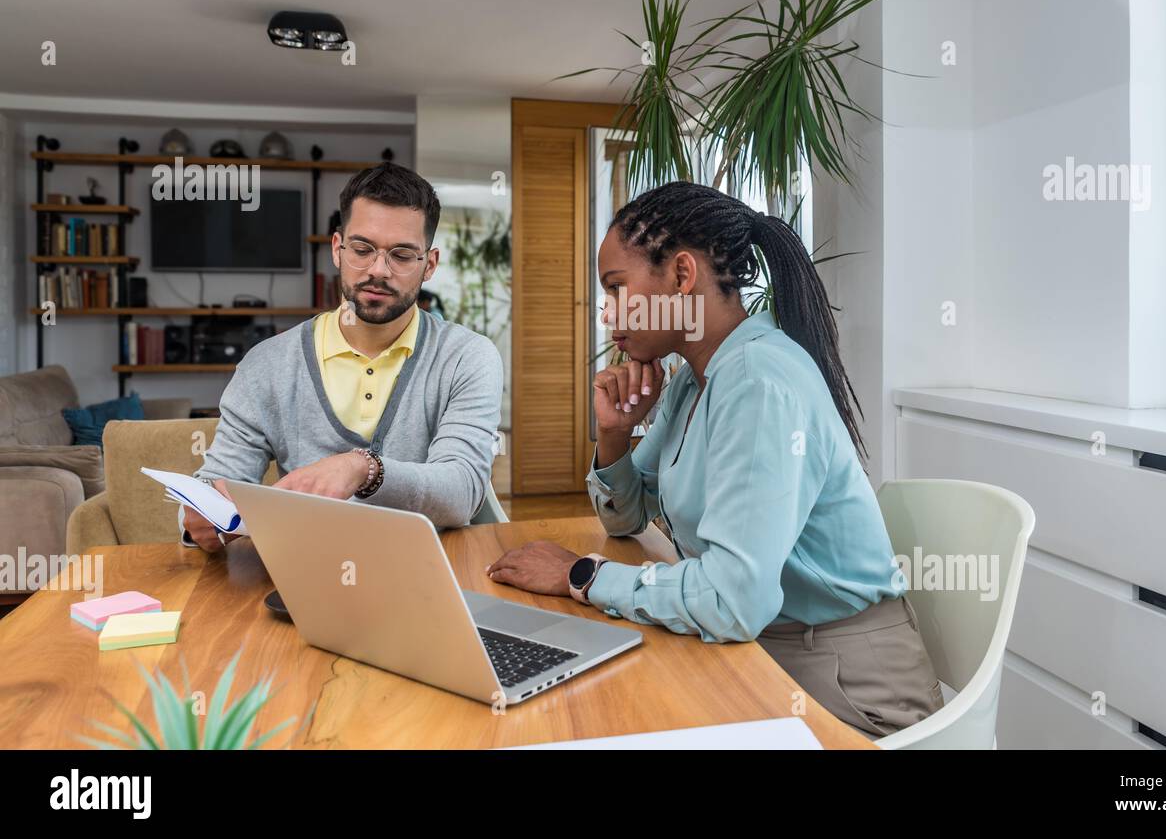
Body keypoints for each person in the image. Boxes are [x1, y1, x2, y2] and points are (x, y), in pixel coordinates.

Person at [486, 181, 941, 738]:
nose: (608, 315)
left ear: (680, 275)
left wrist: (580, 575)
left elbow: (731, 601)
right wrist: (614, 434)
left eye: (616, 287)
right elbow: (626, 519)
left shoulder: (757, 382)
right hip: (765, 647)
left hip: (850, 690)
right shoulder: (694, 380)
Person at [179, 162, 502, 551]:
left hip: (437, 573)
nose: (378, 271)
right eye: (362, 250)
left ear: (429, 265)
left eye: (401, 255)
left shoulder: (467, 357)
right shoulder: (266, 366)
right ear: (338, 249)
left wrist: (363, 469)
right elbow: (216, 481)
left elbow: (461, 492)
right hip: (308, 573)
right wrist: (198, 515)